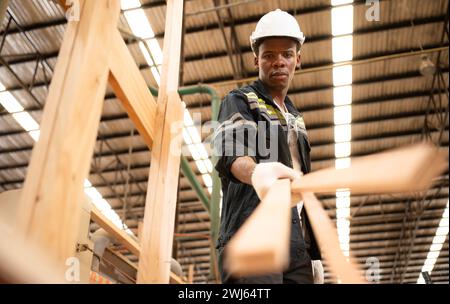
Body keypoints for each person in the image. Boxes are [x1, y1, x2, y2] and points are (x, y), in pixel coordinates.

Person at [213, 9, 324, 284]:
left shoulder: (296, 117)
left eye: (287, 54)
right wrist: (255, 173)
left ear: (298, 59)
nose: (279, 62)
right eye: (269, 55)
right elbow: (231, 153)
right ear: (256, 60)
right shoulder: (240, 100)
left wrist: (313, 251)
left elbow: (302, 183)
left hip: (296, 246)